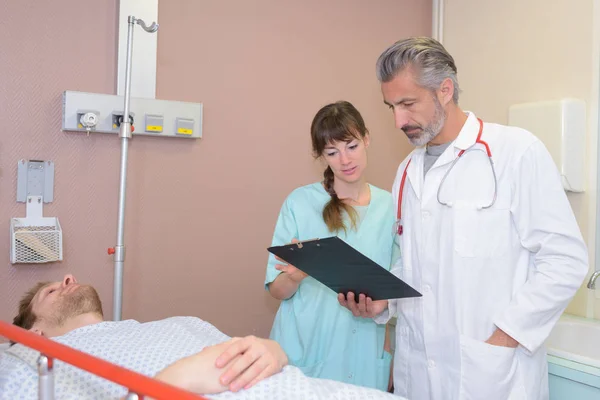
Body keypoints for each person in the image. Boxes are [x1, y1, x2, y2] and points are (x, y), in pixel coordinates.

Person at [338, 37, 589, 400]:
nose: (398, 120)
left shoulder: (514, 153)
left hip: (491, 375)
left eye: (407, 104)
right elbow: (414, 263)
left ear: (444, 90)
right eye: (391, 106)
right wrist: (384, 301)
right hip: (419, 374)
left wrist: (505, 338)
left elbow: (565, 261)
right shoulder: (407, 171)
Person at [1, 274, 399, 400]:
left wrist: (274, 351)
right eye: (50, 291)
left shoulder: (178, 322)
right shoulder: (33, 365)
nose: (68, 278)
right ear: (32, 333)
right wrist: (178, 379)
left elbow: (257, 359)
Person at [265, 101, 397, 391]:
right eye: (332, 152)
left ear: (366, 139)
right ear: (321, 156)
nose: (345, 160)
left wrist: (384, 308)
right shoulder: (299, 203)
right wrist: (297, 274)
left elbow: (397, 285)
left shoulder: (391, 206)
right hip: (304, 345)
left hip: (364, 350)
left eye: (351, 146)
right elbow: (276, 290)